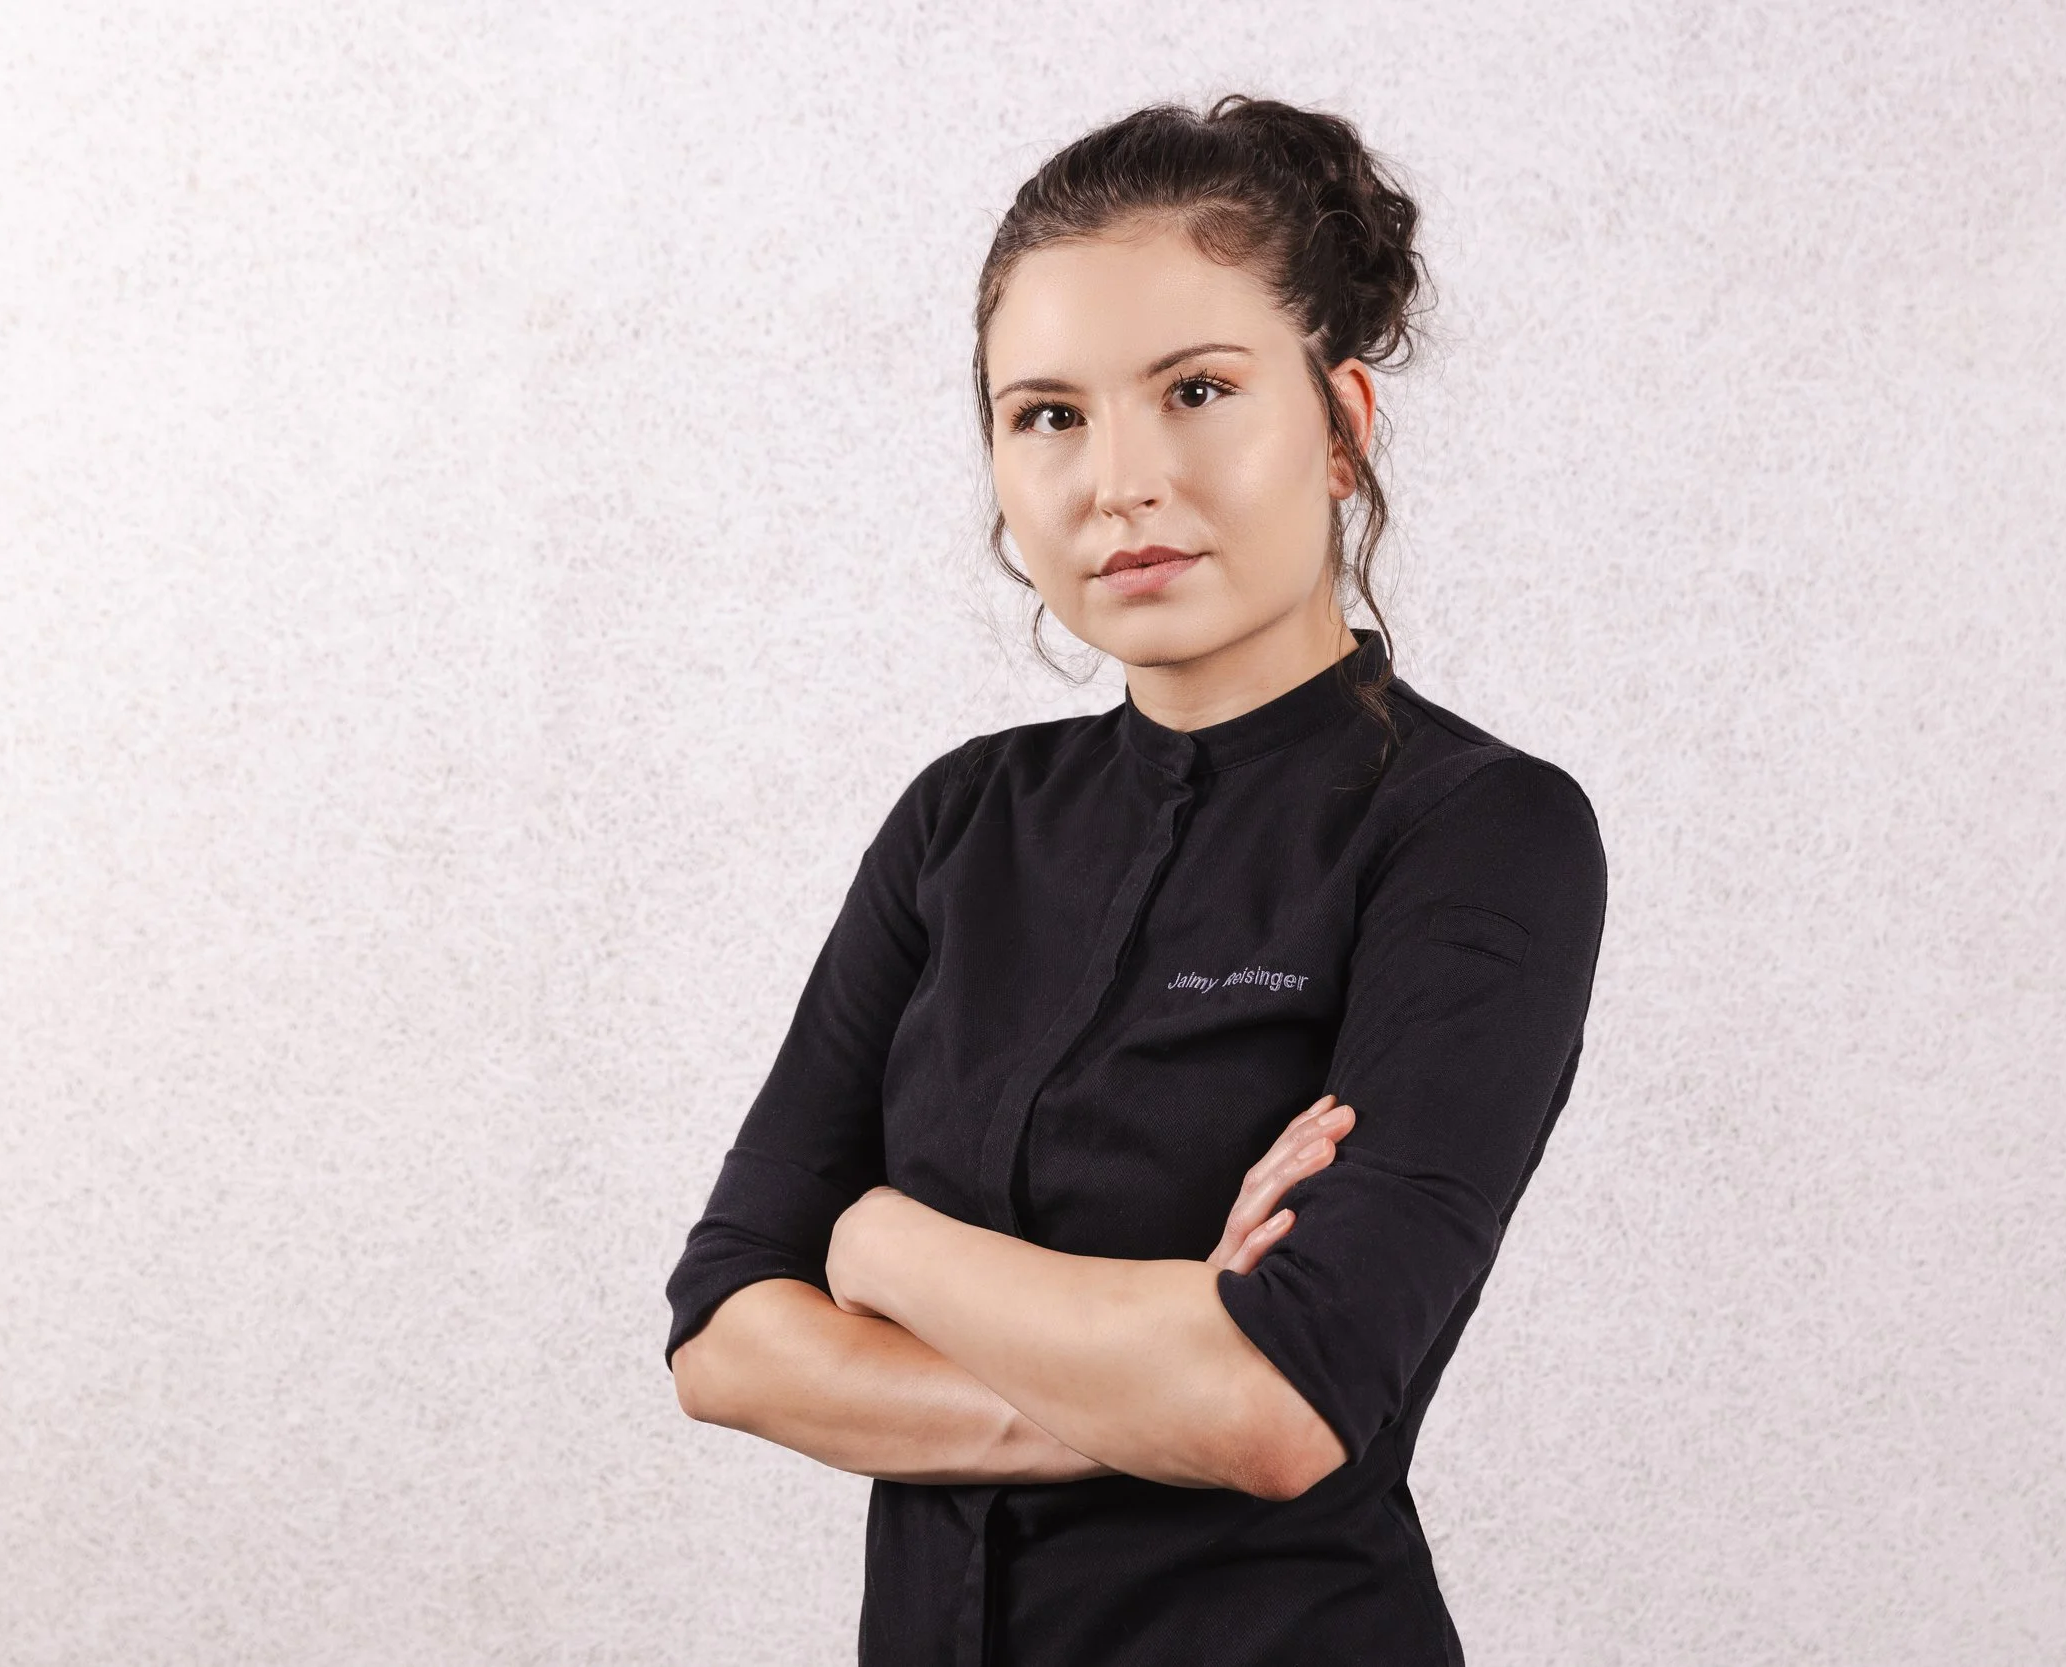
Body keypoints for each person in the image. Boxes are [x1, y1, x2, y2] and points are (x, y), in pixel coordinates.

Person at [663, 94, 1608, 1666]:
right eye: (1049, 414)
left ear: (1344, 424)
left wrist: (886, 1245)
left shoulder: (1481, 831)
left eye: (1198, 390)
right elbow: (724, 1338)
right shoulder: (960, 822)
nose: (1121, 479)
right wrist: (1152, 1361)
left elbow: (1277, 1406)